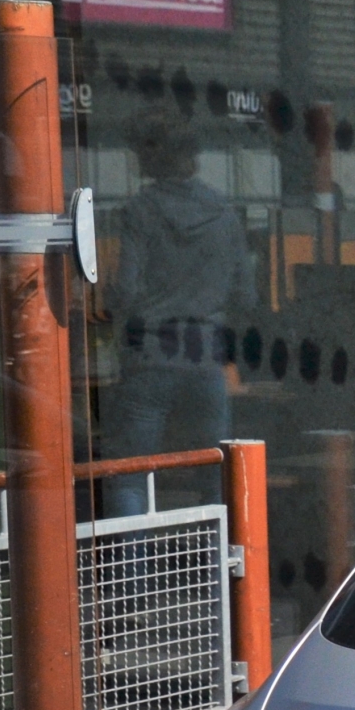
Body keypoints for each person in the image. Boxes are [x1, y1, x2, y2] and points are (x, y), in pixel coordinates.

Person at [100, 107, 251, 516]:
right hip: (206, 358)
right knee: (214, 477)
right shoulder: (224, 213)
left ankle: (133, 580)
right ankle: (218, 572)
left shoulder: (139, 211)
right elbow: (246, 294)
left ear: (154, 156)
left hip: (150, 358)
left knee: (131, 474)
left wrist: (105, 302)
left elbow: (126, 288)